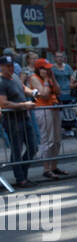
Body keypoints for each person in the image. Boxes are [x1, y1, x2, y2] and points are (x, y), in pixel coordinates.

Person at [0, 53, 38, 188]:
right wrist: (24, 105)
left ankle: (23, 173)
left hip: (24, 116)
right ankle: (20, 178)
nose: (10, 68)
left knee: (33, 146)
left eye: (12, 66)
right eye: (7, 66)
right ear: (1, 67)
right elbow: (4, 104)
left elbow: (23, 88)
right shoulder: (1, 82)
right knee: (16, 149)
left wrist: (32, 92)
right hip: (12, 120)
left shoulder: (14, 76)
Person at [31, 58, 68, 179]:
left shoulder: (50, 77)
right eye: (45, 68)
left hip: (54, 108)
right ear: (39, 69)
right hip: (43, 109)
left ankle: (54, 166)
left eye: (49, 68)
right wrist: (47, 80)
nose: (48, 70)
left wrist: (53, 78)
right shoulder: (34, 78)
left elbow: (58, 91)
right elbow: (45, 95)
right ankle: (46, 168)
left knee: (57, 139)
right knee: (48, 140)